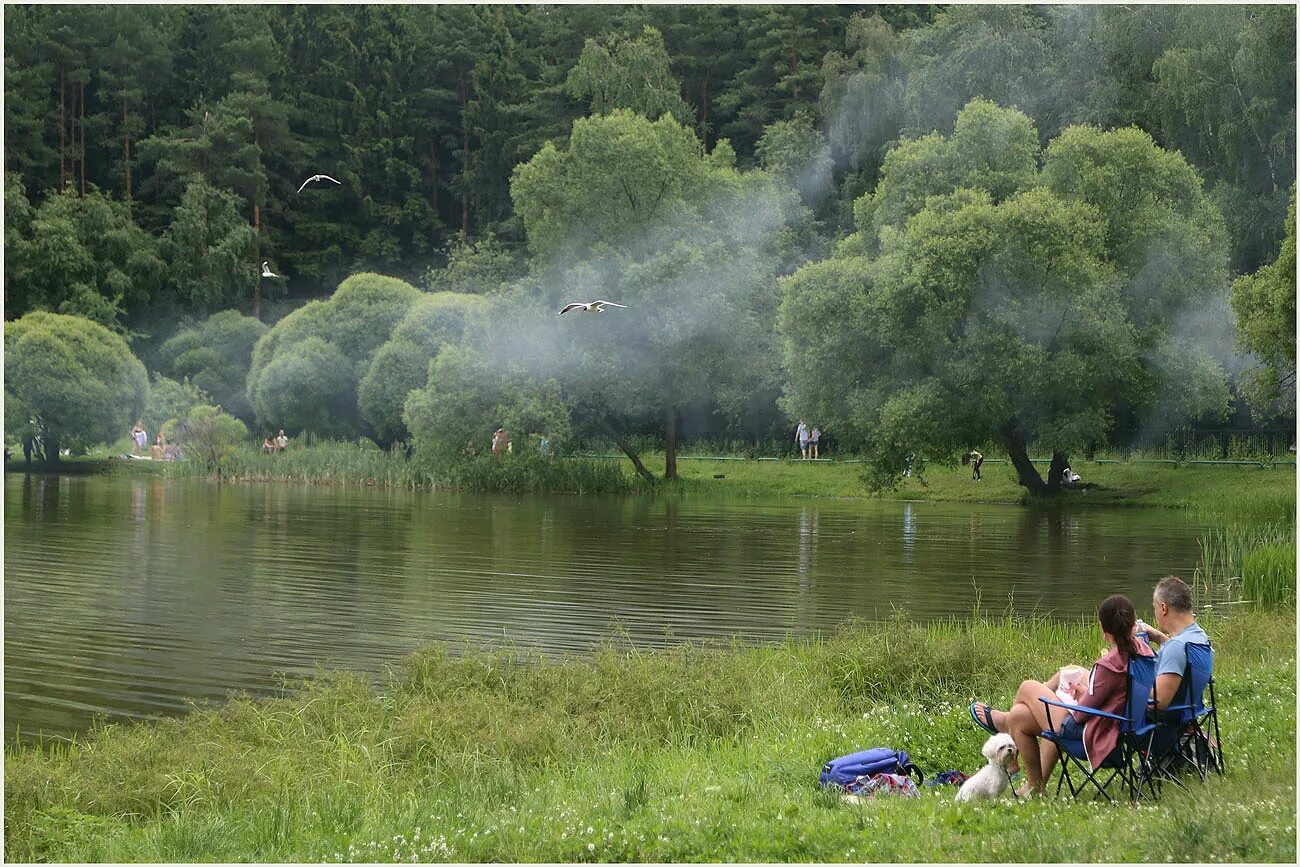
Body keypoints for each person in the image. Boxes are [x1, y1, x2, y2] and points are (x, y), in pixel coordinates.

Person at [970, 594, 1154, 796]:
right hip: (1121, 727)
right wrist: (1084, 693)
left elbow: (1082, 714)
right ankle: (1034, 787)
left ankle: (1007, 735)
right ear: (1133, 624)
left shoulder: (1109, 665)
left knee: (1027, 687)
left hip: (1091, 733)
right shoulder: (1144, 651)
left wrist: (1076, 699)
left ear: (1103, 629)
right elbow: (1111, 697)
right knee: (1020, 717)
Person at [1138, 576, 1211, 714]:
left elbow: (1159, 701)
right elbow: (1181, 655)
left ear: (1163, 608)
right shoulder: (1200, 638)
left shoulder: (1177, 647)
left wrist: (1128, 682)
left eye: (1155, 608)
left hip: (1154, 727)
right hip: (1184, 716)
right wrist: (1160, 637)